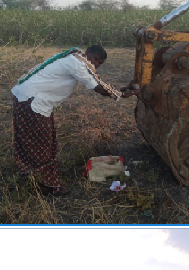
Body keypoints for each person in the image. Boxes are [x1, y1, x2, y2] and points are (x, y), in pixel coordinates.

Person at [10, 45, 137, 193]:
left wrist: (121, 91)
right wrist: (122, 95)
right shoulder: (76, 63)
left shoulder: (74, 58)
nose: (96, 64)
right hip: (32, 101)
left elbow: (100, 84)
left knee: (36, 140)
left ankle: (29, 176)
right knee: (41, 142)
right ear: (87, 53)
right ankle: (47, 185)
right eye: (96, 59)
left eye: (100, 63)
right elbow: (98, 88)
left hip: (30, 99)